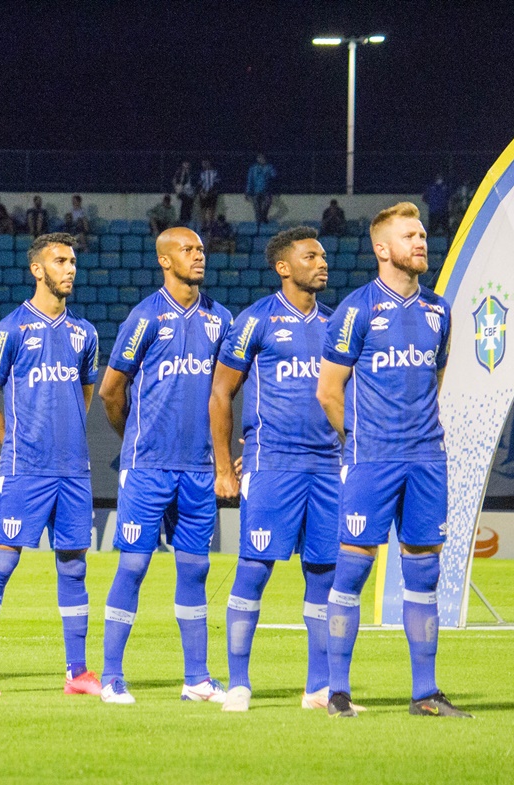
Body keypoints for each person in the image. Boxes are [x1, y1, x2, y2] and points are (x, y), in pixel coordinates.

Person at [316, 202, 469, 718]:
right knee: (352, 573)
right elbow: (328, 391)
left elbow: (435, 378)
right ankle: (338, 692)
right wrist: (361, 441)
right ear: (383, 249)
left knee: (424, 575)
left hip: (427, 459)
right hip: (371, 461)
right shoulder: (357, 310)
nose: (421, 241)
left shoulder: (439, 310)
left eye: (423, 233)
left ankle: (424, 694)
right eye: (410, 235)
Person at [209, 226, 344, 712]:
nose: (322, 262)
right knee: (254, 570)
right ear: (284, 267)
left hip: (329, 467)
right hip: (273, 466)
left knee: (324, 575)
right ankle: (240, 683)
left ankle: (318, 688)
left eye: (324, 255)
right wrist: (226, 467)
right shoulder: (255, 322)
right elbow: (221, 392)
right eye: (311, 256)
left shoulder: (336, 325)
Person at [97, 227, 232, 705]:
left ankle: (197, 678)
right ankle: (111, 677)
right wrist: (134, 438)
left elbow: (227, 394)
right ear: (165, 261)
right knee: (133, 566)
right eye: (188, 250)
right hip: (149, 467)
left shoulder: (221, 318)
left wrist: (222, 457)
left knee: (194, 569)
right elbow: (111, 392)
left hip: (198, 469)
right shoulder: (145, 317)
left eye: (200, 248)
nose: (199, 255)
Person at [0, 233, 101, 698]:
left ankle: (77, 673)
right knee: (2, 562)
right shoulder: (10, 329)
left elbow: (85, 391)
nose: (70, 269)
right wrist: (13, 442)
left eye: (73, 261)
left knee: (74, 567)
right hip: (26, 471)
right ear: (37, 270)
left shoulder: (86, 333)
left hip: (74, 471)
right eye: (60, 261)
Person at [245, 153, 276, 226]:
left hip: (266, 191)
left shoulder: (269, 167)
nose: (261, 160)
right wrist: (247, 192)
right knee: (257, 208)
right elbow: (250, 180)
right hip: (256, 191)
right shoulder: (253, 168)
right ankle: (258, 225)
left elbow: (274, 175)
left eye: (263, 158)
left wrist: (269, 168)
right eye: (260, 158)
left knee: (267, 203)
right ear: (257, 159)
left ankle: (264, 216)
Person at [198, 159, 220, 227]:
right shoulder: (202, 173)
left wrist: (211, 191)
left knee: (211, 208)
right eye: (203, 163)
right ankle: (203, 223)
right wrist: (202, 192)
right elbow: (199, 183)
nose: (204, 165)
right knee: (203, 208)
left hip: (212, 193)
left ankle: (210, 223)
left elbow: (217, 183)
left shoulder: (214, 172)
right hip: (203, 193)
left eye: (205, 163)